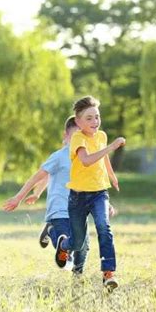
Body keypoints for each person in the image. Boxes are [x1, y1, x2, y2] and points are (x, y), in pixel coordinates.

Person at [55, 96, 125, 291]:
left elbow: (104, 159)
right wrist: (111, 147)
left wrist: (112, 176)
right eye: (89, 118)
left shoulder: (101, 136)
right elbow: (86, 160)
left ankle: (108, 273)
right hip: (78, 197)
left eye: (97, 117)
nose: (95, 122)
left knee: (104, 227)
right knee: (77, 243)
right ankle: (64, 245)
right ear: (78, 121)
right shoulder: (78, 138)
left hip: (99, 193)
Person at [4, 116, 89, 274]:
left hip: (79, 209)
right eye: (75, 136)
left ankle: (77, 277)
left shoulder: (86, 158)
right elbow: (39, 176)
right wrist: (19, 197)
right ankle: (57, 240)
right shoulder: (59, 156)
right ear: (66, 136)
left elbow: (93, 184)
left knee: (83, 246)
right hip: (60, 207)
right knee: (65, 237)